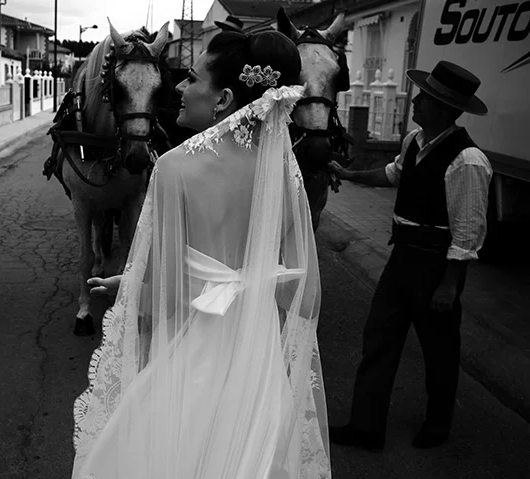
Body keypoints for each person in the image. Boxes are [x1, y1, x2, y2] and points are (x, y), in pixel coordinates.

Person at [71, 31, 331, 478]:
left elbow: (165, 300)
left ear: (223, 99)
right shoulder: (282, 173)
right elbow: (305, 299)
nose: (178, 87)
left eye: (191, 78)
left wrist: (131, 288)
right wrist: (252, 292)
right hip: (259, 368)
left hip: (193, 359)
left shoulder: (175, 168)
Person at [327, 61, 492, 450]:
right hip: (401, 258)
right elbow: (392, 174)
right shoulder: (415, 141)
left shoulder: (467, 160)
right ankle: (366, 427)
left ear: (445, 110)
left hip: (436, 266)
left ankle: (438, 423)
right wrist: (350, 176)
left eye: (425, 99)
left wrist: (449, 286)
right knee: (379, 337)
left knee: (439, 348)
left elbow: (468, 233)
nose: (416, 102)